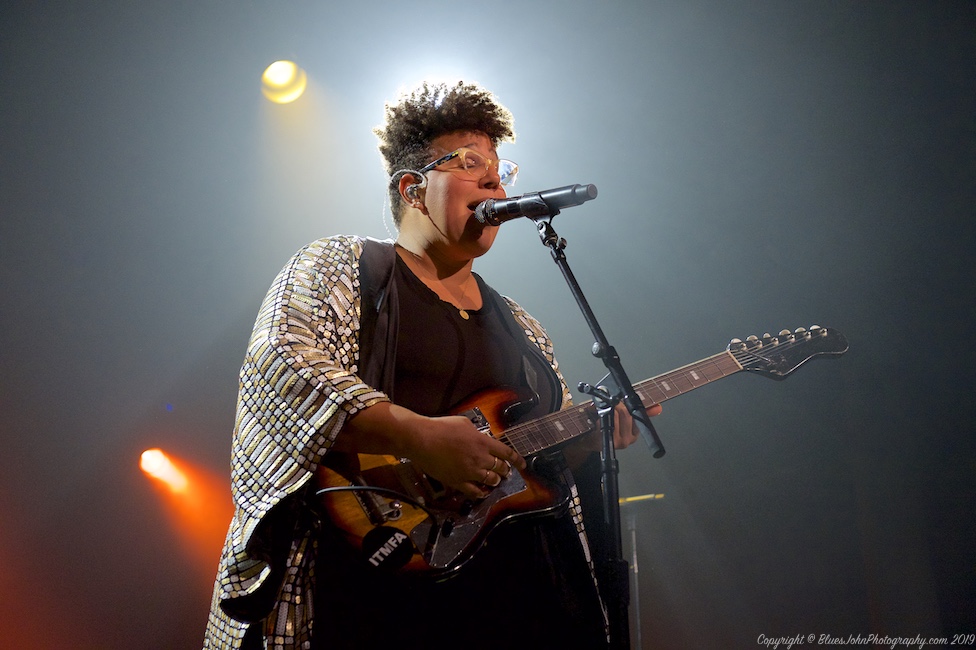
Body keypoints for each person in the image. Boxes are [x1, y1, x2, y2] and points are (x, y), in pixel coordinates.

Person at [203, 80, 661, 650]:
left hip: (516, 601)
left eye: (499, 168)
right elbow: (285, 363)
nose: (494, 180)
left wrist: (585, 441)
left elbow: (528, 469)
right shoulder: (343, 266)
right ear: (412, 189)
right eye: (471, 163)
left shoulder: (522, 326)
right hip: (373, 593)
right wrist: (419, 436)